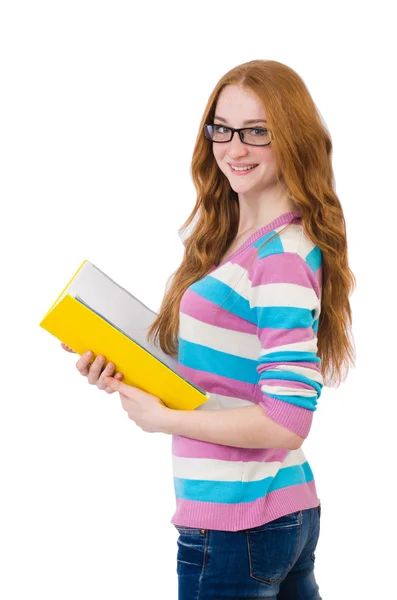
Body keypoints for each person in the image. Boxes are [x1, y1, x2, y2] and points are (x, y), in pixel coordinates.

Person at [62, 59, 355, 599]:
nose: (234, 149)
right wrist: (120, 361)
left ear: (293, 136)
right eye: (222, 129)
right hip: (269, 512)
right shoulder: (239, 238)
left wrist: (163, 419)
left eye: (257, 132)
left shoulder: (281, 256)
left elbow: (287, 420)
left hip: (237, 522)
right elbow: (216, 373)